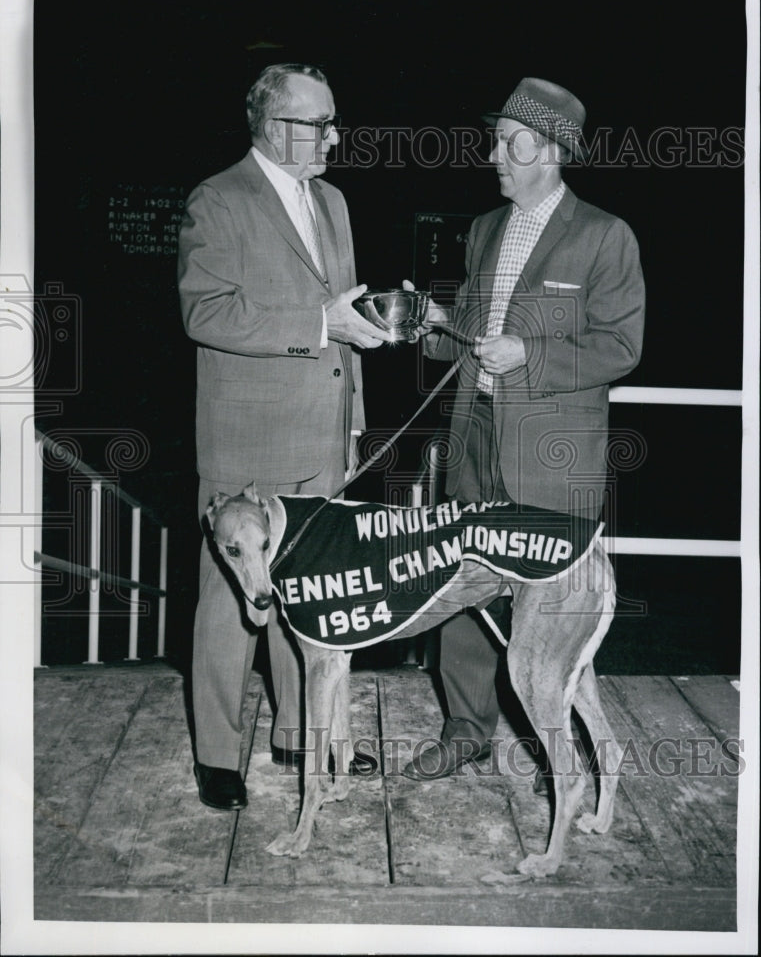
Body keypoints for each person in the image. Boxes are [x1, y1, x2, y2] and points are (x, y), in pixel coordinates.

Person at [404, 77, 645, 780]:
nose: (495, 157)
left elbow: (620, 347)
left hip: (550, 450)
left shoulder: (604, 235)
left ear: (552, 152)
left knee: (550, 603)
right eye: (495, 142)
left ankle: (558, 739)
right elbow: (468, 331)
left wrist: (529, 355)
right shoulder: (484, 229)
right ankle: (464, 728)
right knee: (459, 581)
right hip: (473, 433)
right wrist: (425, 324)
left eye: (511, 145)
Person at [178, 63, 390, 811]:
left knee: (308, 594)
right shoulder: (219, 198)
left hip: (322, 435)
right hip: (248, 441)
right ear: (273, 127)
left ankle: (299, 735)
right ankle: (216, 755)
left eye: (332, 120)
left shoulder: (331, 200)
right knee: (229, 604)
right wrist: (316, 325)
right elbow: (206, 314)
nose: (334, 135)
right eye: (318, 122)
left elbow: (344, 313)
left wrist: (356, 416)